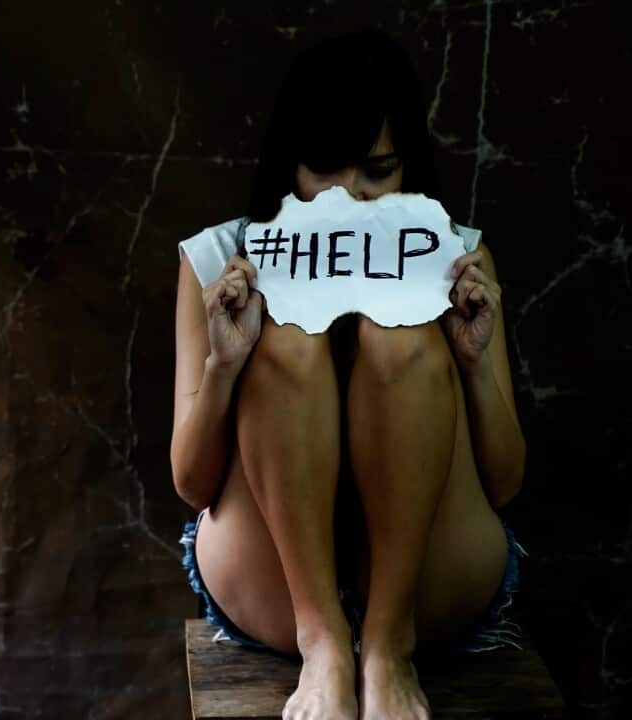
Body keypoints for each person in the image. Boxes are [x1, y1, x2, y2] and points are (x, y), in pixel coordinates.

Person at [172, 28, 530, 720]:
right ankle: (325, 647)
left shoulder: (457, 259)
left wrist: (472, 361)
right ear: (290, 165)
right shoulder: (217, 260)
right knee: (286, 347)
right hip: (270, 580)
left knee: (399, 343)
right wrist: (225, 365)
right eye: (325, 170)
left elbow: (506, 483)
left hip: (431, 580)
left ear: (407, 169)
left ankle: (388, 645)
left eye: (378, 170)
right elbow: (191, 484)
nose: (351, 198)